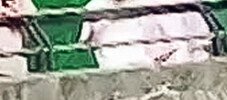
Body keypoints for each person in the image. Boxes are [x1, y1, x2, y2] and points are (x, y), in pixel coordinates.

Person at [79, 0, 211, 71]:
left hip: (180, 78)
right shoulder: (95, 8)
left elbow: (201, 46)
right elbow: (85, 46)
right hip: (123, 87)